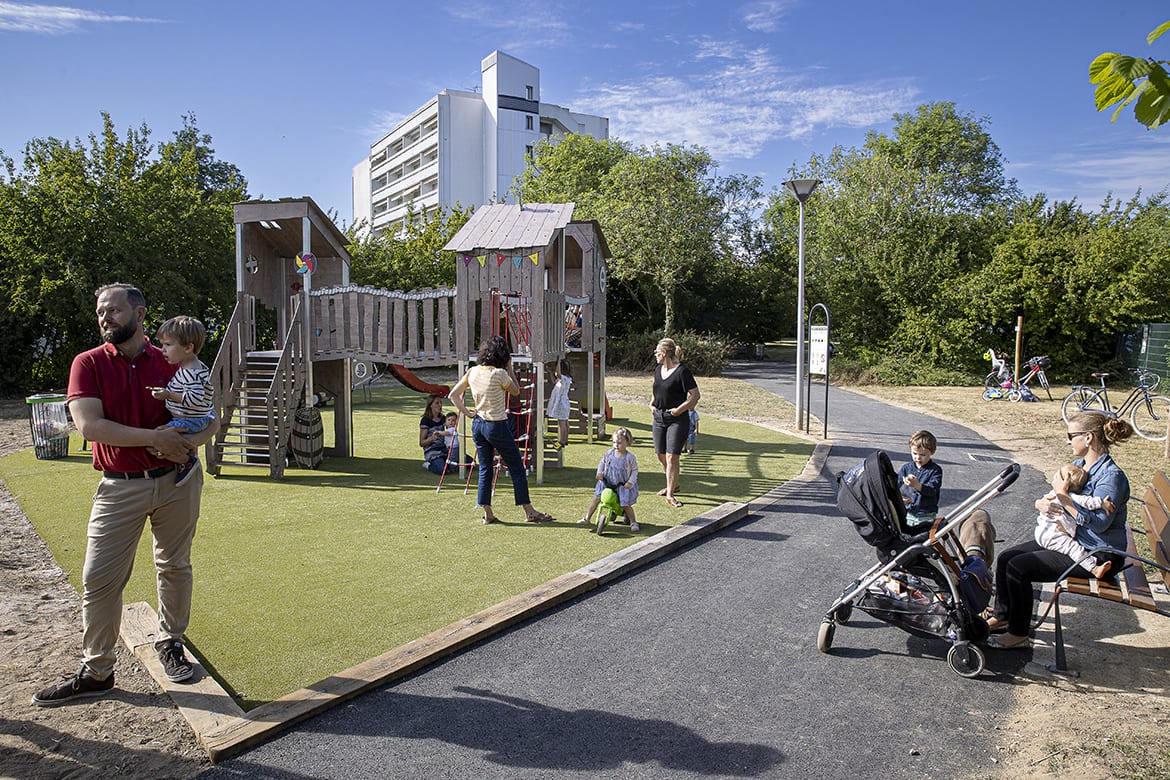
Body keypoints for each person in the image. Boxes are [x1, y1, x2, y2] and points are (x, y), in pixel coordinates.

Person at [32, 283, 219, 706]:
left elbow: (210, 417)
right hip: (119, 486)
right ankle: (98, 670)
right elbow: (90, 427)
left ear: (139, 314)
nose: (105, 318)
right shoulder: (88, 363)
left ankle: (171, 642)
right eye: (101, 312)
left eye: (114, 310)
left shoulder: (173, 357)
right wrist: (156, 438)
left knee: (175, 565)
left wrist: (188, 444)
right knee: (99, 579)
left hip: (178, 479)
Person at [986, 410, 1133, 649]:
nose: (1067, 440)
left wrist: (1064, 499)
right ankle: (1003, 616)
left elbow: (1100, 523)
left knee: (1018, 568)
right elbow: (1054, 495)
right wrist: (1041, 503)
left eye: (1071, 435)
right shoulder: (1078, 465)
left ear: (1088, 438)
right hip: (1073, 539)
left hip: (1098, 553)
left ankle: (1018, 633)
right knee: (1006, 557)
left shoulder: (1111, 476)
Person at [448, 335, 554, 524]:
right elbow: (515, 391)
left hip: (478, 424)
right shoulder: (499, 374)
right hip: (496, 425)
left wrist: (468, 413)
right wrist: (510, 368)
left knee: (485, 469)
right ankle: (529, 511)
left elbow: (453, 395)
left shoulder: (472, 371)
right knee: (517, 468)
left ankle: (488, 513)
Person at [149, 316, 214, 487]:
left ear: (188, 347)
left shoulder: (189, 372)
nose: (163, 350)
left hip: (189, 420)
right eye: (162, 345)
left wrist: (168, 395)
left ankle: (186, 461)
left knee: (158, 439)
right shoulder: (195, 367)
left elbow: (194, 398)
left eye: (168, 345)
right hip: (196, 418)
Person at [1032, 464, 1115, 579]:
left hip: (1044, 532)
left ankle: (1094, 568)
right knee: (1073, 549)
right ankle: (1094, 568)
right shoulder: (1067, 495)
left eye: (1058, 476)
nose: (1055, 478)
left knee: (1072, 549)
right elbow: (1088, 502)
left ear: (1064, 481)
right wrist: (1102, 503)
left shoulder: (1056, 494)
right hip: (1053, 534)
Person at [649, 337, 700, 508]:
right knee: (660, 455)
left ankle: (670, 494)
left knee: (672, 456)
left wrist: (680, 409)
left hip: (677, 419)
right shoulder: (657, 370)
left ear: (664, 353)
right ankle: (674, 483)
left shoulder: (682, 372)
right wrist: (652, 403)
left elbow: (695, 395)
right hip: (659, 418)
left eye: (657, 352)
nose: (655, 355)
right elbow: (657, 389)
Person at [579, 427, 640, 532]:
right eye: (614, 442)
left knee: (625, 504)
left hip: (622, 484)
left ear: (627, 442)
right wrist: (599, 473)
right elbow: (602, 463)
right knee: (597, 498)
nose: (616, 445)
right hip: (607, 481)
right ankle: (587, 518)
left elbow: (634, 470)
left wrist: (630, 482)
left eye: (619, 443)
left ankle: (633, 522)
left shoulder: (630, 457)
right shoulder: (609, 453)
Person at [899, 430, 942, 531]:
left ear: (932, 452)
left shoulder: (935, 470)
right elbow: (896, 485)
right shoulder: (906, 468)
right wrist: (900, 499)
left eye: (923, 455)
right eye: (914, 453)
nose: (918, 457)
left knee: (923, 541)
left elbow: (932, 489)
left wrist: (917, 485)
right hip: (908, 512)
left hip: (926, 515)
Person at [546, 358, 572, 449]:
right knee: (565, 422)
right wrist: (550, 373)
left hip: (562, 404)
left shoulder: (565, 378)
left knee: (562, 424)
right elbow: (554, 381)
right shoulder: (564, 379)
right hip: (563, 403)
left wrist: (559, 361)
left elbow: (558, 374)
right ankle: (565, 440)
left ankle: (561, 442)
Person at [419, 394, 448, 475]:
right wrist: (431, 438)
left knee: (469, 462)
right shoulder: (426, 420)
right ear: (430, 405)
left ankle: (446, 462)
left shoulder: (443, 418)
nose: (440, 405)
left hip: (444, 449)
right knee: (441, 470)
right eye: (437, 403)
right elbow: (422, 443)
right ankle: (428, 465)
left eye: (441, 403)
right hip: (432, 451)